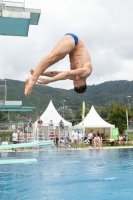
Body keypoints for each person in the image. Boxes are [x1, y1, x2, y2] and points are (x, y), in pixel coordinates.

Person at [25, 33, 92, 95]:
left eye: (74, 82)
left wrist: (41, 73)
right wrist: (51, 80)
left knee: (58, 57)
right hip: (75, 42)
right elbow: (66, 73)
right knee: (54, 57)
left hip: (71, 48)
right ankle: (33, 80)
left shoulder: (73, 76)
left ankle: (33, 77)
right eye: (77, 80)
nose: (74, 79)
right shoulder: (87, 71)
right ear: (84, 80)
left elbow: (56, 73)